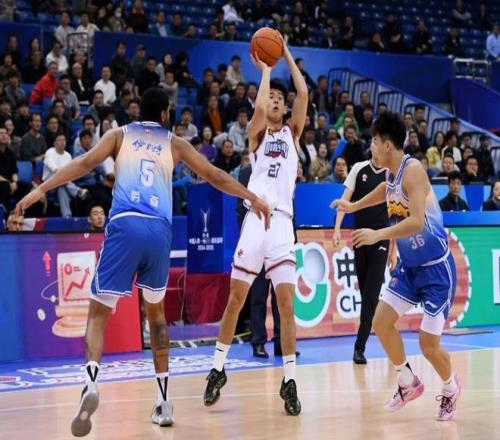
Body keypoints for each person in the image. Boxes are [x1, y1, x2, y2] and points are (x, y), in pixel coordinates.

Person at [15, 87, 270, 436]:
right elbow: (215, 175)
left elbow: (83, 163)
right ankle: (163, 402)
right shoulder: (175, 143)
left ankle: (91, 382)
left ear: (139, 112)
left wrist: (39, 190)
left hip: (125, 224)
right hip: (159, 231)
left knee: (98, 314)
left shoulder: (119, 135)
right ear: (165, 115)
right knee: (157, 317)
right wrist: (252, 197)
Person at [333, 112, 462, 421]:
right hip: (409, 268)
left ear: (387, 145)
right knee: (380, 321)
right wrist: (353, 205)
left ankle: (450, 387)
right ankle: (407, 381)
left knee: (428, 345)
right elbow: (384, 191)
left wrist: (378, 234)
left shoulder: (413, 170)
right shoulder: (390, 174)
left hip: (435, 270)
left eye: (375, 142)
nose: (372, 147)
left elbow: (416, 222)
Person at [203, 37, 307, 416]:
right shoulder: (258, 134)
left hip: (281, 224)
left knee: (286, 306)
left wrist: (285, 53)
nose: (276, 101)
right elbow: (259, 108)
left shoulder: (293, 133)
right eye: (272, 98)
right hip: (255, 221)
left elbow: (303, 92)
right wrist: (266, 71)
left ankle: (289, 380)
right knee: (237, 300)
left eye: (280, 99)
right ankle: (218, 369)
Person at [332, 151, 388, 365]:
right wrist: (337, 229)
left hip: (381, 238)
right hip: (359, 238)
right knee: (366, 296)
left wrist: (393, 249)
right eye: (373, 142)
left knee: (371, 295)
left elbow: (395, 213)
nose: (376, 147)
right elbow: (345, 201)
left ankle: (359, 348)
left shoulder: (390, 174)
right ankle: (386, 329)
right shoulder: (358, 168)